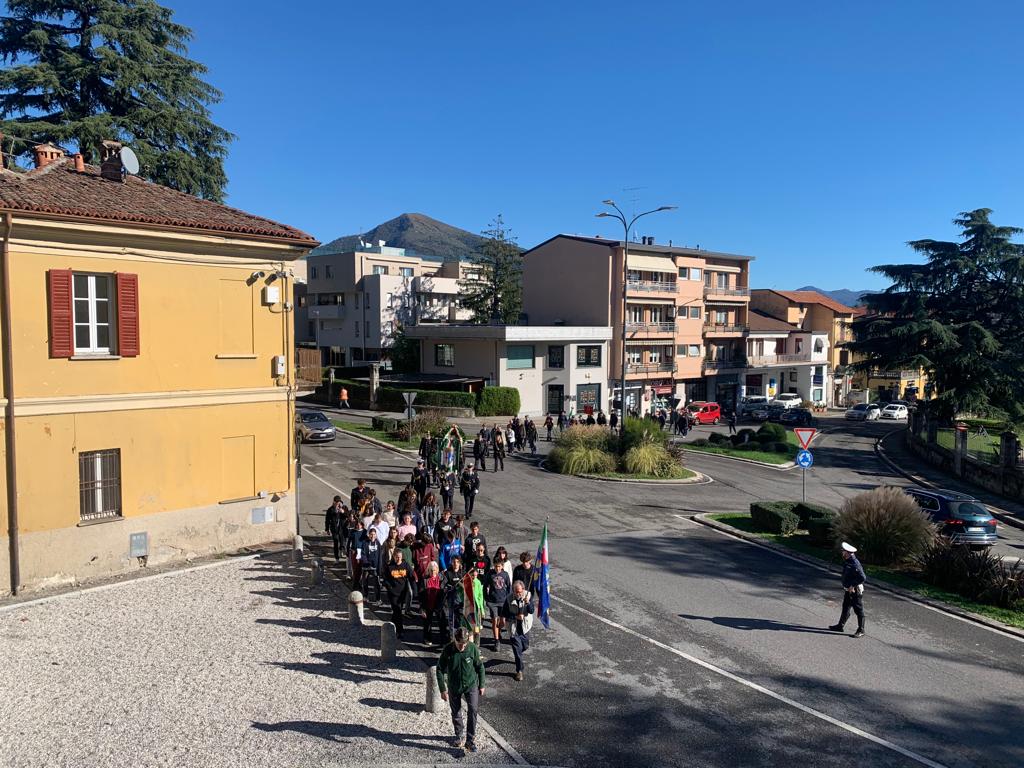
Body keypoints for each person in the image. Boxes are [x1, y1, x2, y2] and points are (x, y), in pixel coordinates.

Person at [436, 627, 486, 753]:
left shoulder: (472, 648)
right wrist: (442, 689)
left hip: (471, 684)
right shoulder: (448, 649)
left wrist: (482, 684)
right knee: (456, 711)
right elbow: (440, 669)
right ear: (455, 640)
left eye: (464, 644)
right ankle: (459, 735)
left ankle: (470, 740)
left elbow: (480, 667)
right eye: (459, 644)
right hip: (454, 686)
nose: (462, 647)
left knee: (473, 710)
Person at [829, 542, 866, 638]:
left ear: (848, 553)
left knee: (858, 610)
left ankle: (861, 630)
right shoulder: (848, 561)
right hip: (848, 590)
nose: (842, 552)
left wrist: (852, 585)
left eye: (843, 551)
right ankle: (840, 626)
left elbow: (862, 577)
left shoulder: (854, 564)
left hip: (855, 591)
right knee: (845, 608)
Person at [503, 579, 534, 681]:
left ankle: (519, 656)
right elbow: (505, 613)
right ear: (513, 591)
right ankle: (519, 671)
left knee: (525, 646)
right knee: (517, 651)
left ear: (523, 589)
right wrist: (516, 616)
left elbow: (531, 610)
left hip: (525, 628)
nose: (518, 594)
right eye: (516, 592)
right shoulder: (508, 599)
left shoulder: (528, 595)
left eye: (520, 592)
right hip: (513, 628)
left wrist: (528, 603)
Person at [383, 549, 414, 638]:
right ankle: (400, 630)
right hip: (393, 593)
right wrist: (390, 588)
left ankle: (391, 625)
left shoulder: (405, 565)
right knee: (397, 610)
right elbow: (385, 579)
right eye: (397, 557)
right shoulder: (390, 567)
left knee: (397, 611)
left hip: (402, 592)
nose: (398, 559)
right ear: (394, 557)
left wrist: (414, 588)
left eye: (400, 557)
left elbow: (411, 576)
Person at [484, 554, 511, 650]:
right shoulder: (490, 574)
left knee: (502, 622)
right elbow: (485, 586)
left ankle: (498, 631)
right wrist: (486, 599)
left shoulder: (505, 574)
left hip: (503, 601)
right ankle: (497, 641)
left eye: (499, 566)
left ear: (502, 566)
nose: (497, 568)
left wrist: (508, 600)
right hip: (493, 602)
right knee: (495, 620)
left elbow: (509, 587)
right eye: (496, 566)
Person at [421, 561, 446, 646]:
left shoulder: (442, 578)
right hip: (428, 604)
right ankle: (427, 638)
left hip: (439, 604)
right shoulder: (425, 580)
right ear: (428, 570)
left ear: (437, 570)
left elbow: (445, 590)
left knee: (442, 623)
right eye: (431, 570)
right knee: (428, 623)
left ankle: (443, 640)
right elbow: (421, 595)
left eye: (434, 570)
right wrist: (422, 608)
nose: (433, 572)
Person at [441, 557, 466, 640]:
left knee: (460, 618)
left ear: (460, 563)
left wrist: (462, 586)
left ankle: (461, 635)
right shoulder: (448, 573)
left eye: (457, 562)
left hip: (461, 600)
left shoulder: (462, 573)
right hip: (451, 599)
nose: (455, 564)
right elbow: (442, 586)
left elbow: (467, 585)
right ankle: (452, 637)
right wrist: (448, 587)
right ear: (451, 563)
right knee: (451, 618)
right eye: (454, 562)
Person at [357, 526, 383, 603]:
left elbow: (379, 556)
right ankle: (365, 596)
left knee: (377, 583)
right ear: (369, 535)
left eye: (374, 534)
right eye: (371, 534)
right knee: (365, 581)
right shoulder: (365, 542)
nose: (372, 536)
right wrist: (366, 562)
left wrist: (379, 567)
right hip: (366, 566)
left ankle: (378, 599)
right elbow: (362, 553)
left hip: (375, 566)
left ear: (376, 535)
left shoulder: (378, 543)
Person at [324, 495, 345, 562]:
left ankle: (341, 549)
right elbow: (327, 520)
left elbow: (347, 516)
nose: (337, 503)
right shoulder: (330, 510)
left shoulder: (343, 508)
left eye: (338, 502)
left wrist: (343, 512)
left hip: (341, 528)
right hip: (334, 528)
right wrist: (327, 529)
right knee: (335, 542)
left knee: (342, 541)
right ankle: (337, 558)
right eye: (336, 502)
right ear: (334, 502)